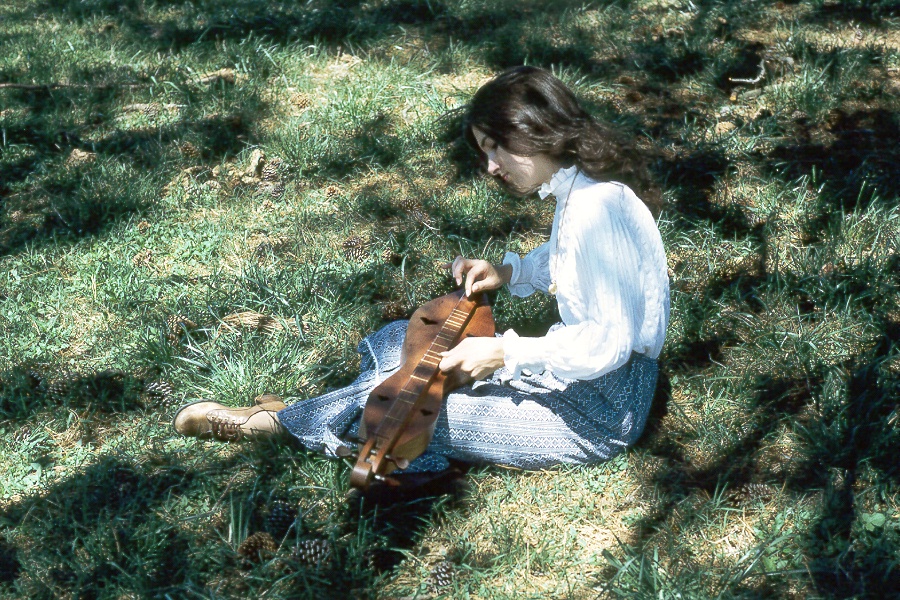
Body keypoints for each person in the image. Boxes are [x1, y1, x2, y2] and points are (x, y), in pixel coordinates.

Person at [174, 66, 669, 477]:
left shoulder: (594, 209)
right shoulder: (585, 193)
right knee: (403, 339)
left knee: (414, 413)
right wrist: (509, 272)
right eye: (485, 151)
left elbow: (608, 345)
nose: (492, 166)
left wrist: (502, 352)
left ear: (534, 126)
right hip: (578, 382)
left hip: (599, 413)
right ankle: (342, 407)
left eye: (496, 146)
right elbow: (566, 259)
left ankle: (278, 422)